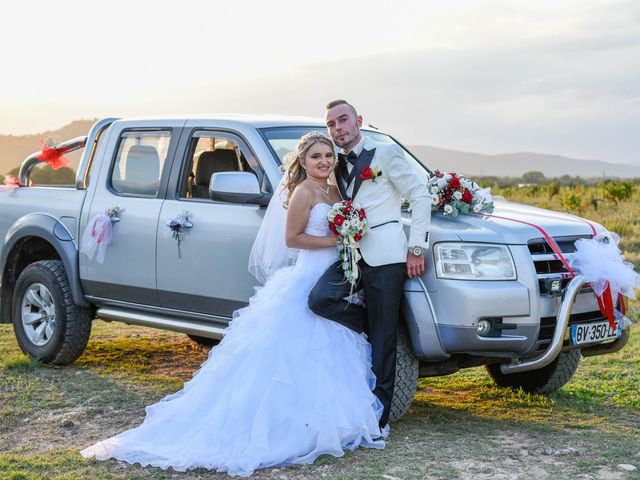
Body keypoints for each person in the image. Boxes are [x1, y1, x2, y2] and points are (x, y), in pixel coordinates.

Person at [80, 132, 385, 477]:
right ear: (303, 161)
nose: (324, 162)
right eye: (316, 157)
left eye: (328, 156)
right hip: (309, 276)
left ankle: (333, 423)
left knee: (333, 348)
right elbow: (292, 238)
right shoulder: (304, 193)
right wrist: (338, 237)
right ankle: (288, 428)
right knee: (291, 356)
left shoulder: (334, 189)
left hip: (334, 275)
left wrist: (349, 234)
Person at [308, 100, 431, 429]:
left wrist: (417, 247)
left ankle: (380, 417)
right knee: (319, 300)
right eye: (332, 124)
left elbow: (420, 195)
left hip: (387, 255)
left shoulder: (385, 154)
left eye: (344, 120)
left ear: (358, 120)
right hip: (349, 254)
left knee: (384, 340)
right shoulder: (332, 162)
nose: (338, 128)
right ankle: (378, 327)